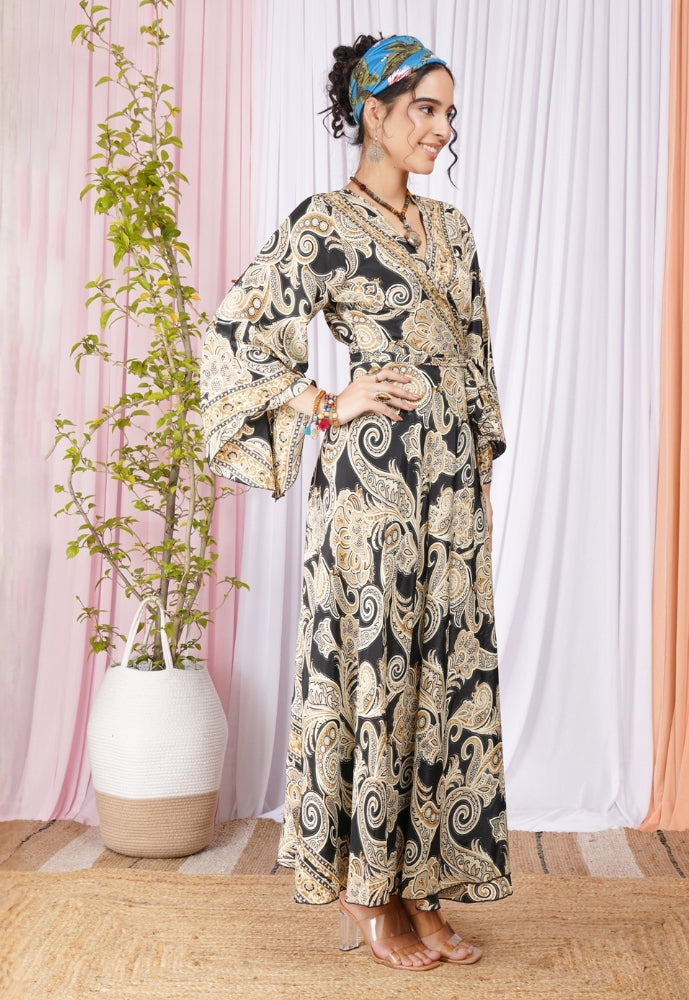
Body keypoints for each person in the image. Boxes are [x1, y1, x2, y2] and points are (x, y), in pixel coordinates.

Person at [201, 33, 511, 972]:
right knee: (377, 674)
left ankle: (421, 887)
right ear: (374, 114)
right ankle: (364, 892)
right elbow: (234, 333)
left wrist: (475, 468)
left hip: (449, 490)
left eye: (449, 113)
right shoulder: (323, 223)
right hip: (369, 491)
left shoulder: (451, 228)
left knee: (443, 678)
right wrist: (326, 402)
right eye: (425, 109)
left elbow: (477, 357)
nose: (442, 129)